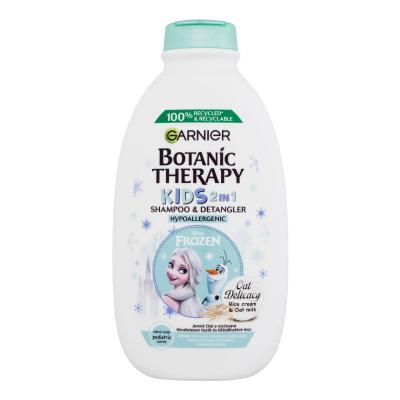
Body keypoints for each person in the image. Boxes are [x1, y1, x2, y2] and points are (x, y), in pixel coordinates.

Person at [162, 248, 203, 317]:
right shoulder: (196, 303)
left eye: (182, 270)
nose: (172, 272)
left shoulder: (167, 300)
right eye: (171, 265)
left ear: (190, 277)